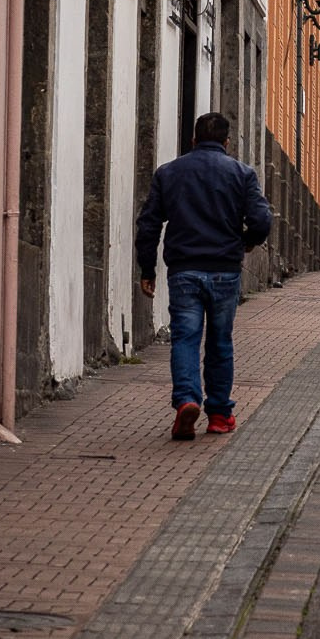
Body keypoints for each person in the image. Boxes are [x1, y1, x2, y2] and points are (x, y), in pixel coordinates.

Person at [135, 111, 272, 440]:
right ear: (227, 143)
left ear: (193, 140)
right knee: (220, 342)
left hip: (184, 270)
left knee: (185, 337)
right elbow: (262, 219)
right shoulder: (242, 174)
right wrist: (247, 242)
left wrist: (147, 268)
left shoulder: (169, 173)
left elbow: (149, 224)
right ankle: (220, 415)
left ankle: (185, 401)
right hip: (224, 269)